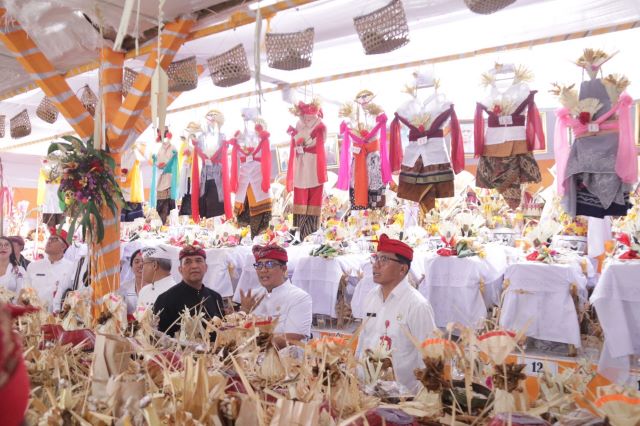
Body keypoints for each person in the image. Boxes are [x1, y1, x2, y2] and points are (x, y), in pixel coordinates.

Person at [356, 234, 436, 394]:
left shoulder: (417, 306)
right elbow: (363, 340)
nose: (375, 265)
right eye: (375, 258)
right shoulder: (371, 296)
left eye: (384, 259)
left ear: (402, 269)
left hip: (401, 398)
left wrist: (421, 400)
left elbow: (429, 359)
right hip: (366, 391)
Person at [239, 243, 312, 348]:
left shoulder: (299, 297)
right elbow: (237, 331)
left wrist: (253, 344)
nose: (263, 270)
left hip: (285, 360)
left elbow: (292, 338)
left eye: (270, 264)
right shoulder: (251, 296)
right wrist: (244, 311)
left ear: (284, 269)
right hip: (249, 358)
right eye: (259, 265)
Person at [153, 245, 224, 337]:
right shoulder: (166, 299)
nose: (194, 266)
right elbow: (158, 337)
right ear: (180, 269)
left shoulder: (215, 297)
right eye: (188, 262)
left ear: (206, 267)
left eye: (198, 261)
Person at [24, 229, 74, 312]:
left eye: (54, 239)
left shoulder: (72, 268)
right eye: (49, 239)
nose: (49, 241)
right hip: (35, 316)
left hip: (60, 317)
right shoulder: (33, 266)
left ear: (63, 246)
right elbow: (25, 291)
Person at [119, 249, 144, 314]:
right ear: (131, 266)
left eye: (144, 262)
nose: (140, 265)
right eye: (136, 262)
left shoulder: (156, 287)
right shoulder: (123, 287)